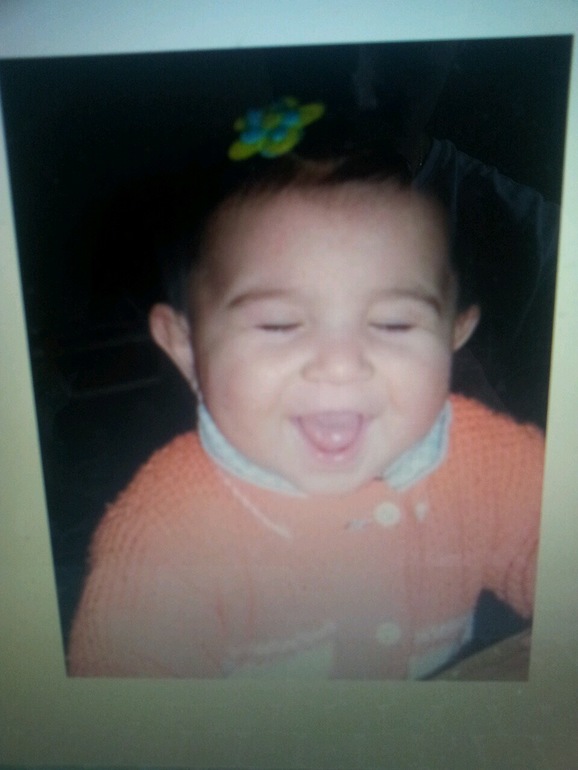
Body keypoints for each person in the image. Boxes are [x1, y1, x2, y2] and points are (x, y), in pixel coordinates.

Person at [67, 100, 544, 679]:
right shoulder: (167, 539)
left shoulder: (484, 461)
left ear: (453, 337)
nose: (341, 366)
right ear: (187, 349)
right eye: (278, 325)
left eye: (394, 323)